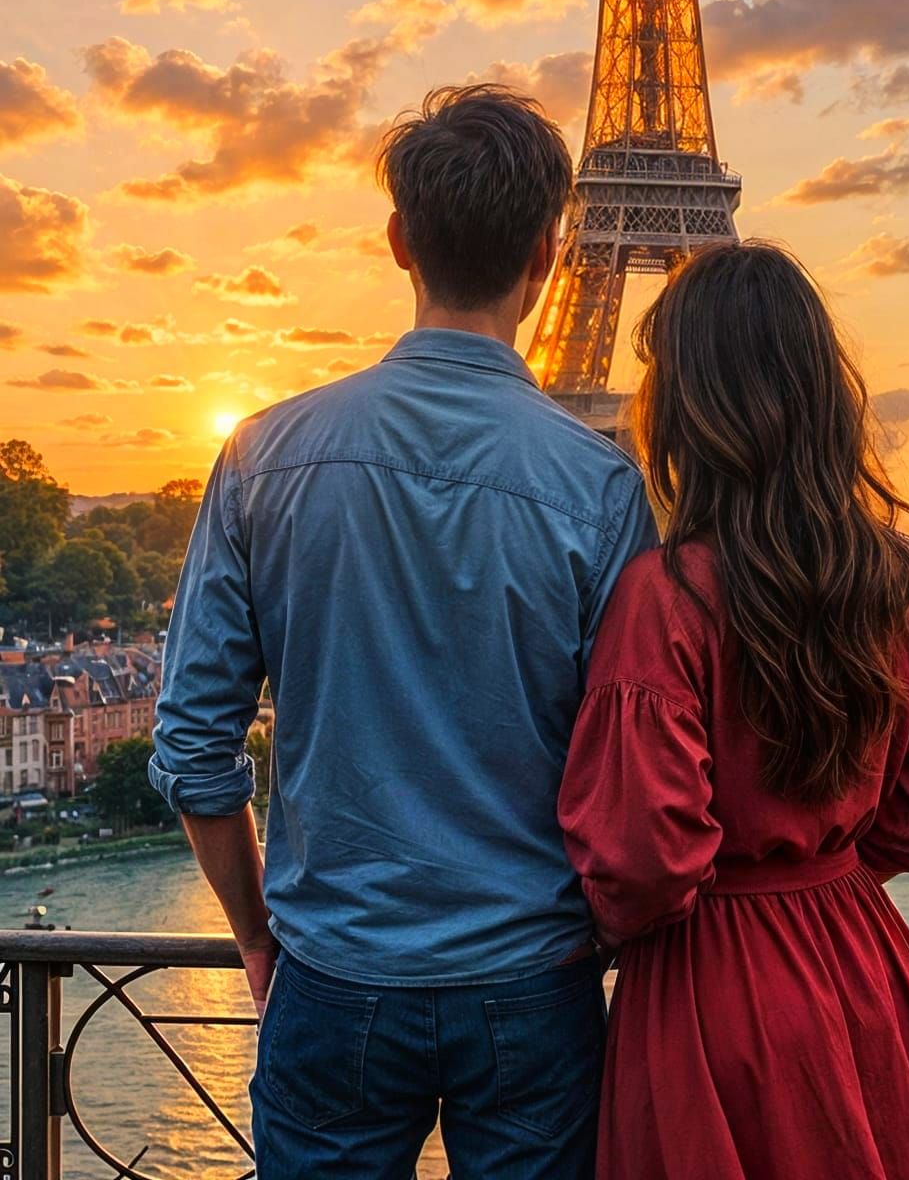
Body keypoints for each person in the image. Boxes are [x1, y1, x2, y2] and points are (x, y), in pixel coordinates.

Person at [150, 85, 657, 1180]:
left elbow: (194, 748)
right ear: (549, 254)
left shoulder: (261, 457)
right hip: (534, 974)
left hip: (333, 969)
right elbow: (631, 764)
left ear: (397, 241)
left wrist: (257, 934)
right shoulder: (602, 487)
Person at [559, 240, 909, 1180]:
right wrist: (823, 873)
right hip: (862, 961)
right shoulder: (898, 586)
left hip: (710, 985)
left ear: (685, 410)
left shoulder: (664, 597)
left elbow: (643, 859)